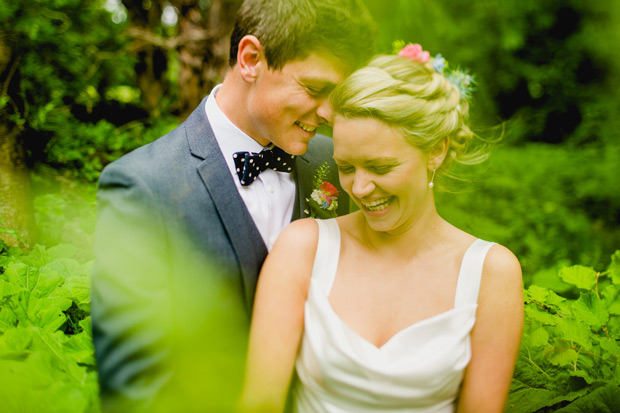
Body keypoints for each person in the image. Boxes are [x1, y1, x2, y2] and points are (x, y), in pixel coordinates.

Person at [91, 0, 375, 409]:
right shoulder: (143, 187)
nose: (330, 113)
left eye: (338, 94)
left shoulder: (339, 165)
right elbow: (137, 391)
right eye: (315, 89)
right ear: (250, 58)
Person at [241, 48, 524, 412]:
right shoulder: (303, 248)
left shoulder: (490, 273)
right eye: (346, 167)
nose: (359, 188)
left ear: (436, 151)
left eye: (380, 166)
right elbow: (260, 402)